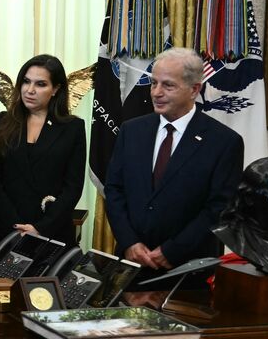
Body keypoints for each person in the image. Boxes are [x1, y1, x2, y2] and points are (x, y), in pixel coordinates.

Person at [104, 47, 243, 289]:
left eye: (168, 86)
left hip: (187, 271)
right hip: (131, 266)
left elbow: (219, 209)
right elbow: (115, 190)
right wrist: (129, 242)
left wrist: (172, 250)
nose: (156, 92)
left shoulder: (224, 142)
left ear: (194, 89)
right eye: (153, 83)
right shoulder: (131, 131)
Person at [0, 55, 85, 254]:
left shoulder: (73, 127)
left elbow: (73, 187)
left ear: (56, 89)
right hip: (7, 231)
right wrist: (17, 226)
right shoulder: (1, 122)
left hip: (52, 234)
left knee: (45, 287)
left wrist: (40, 228)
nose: (30, 90)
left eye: (40, 84)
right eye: (26, 82)